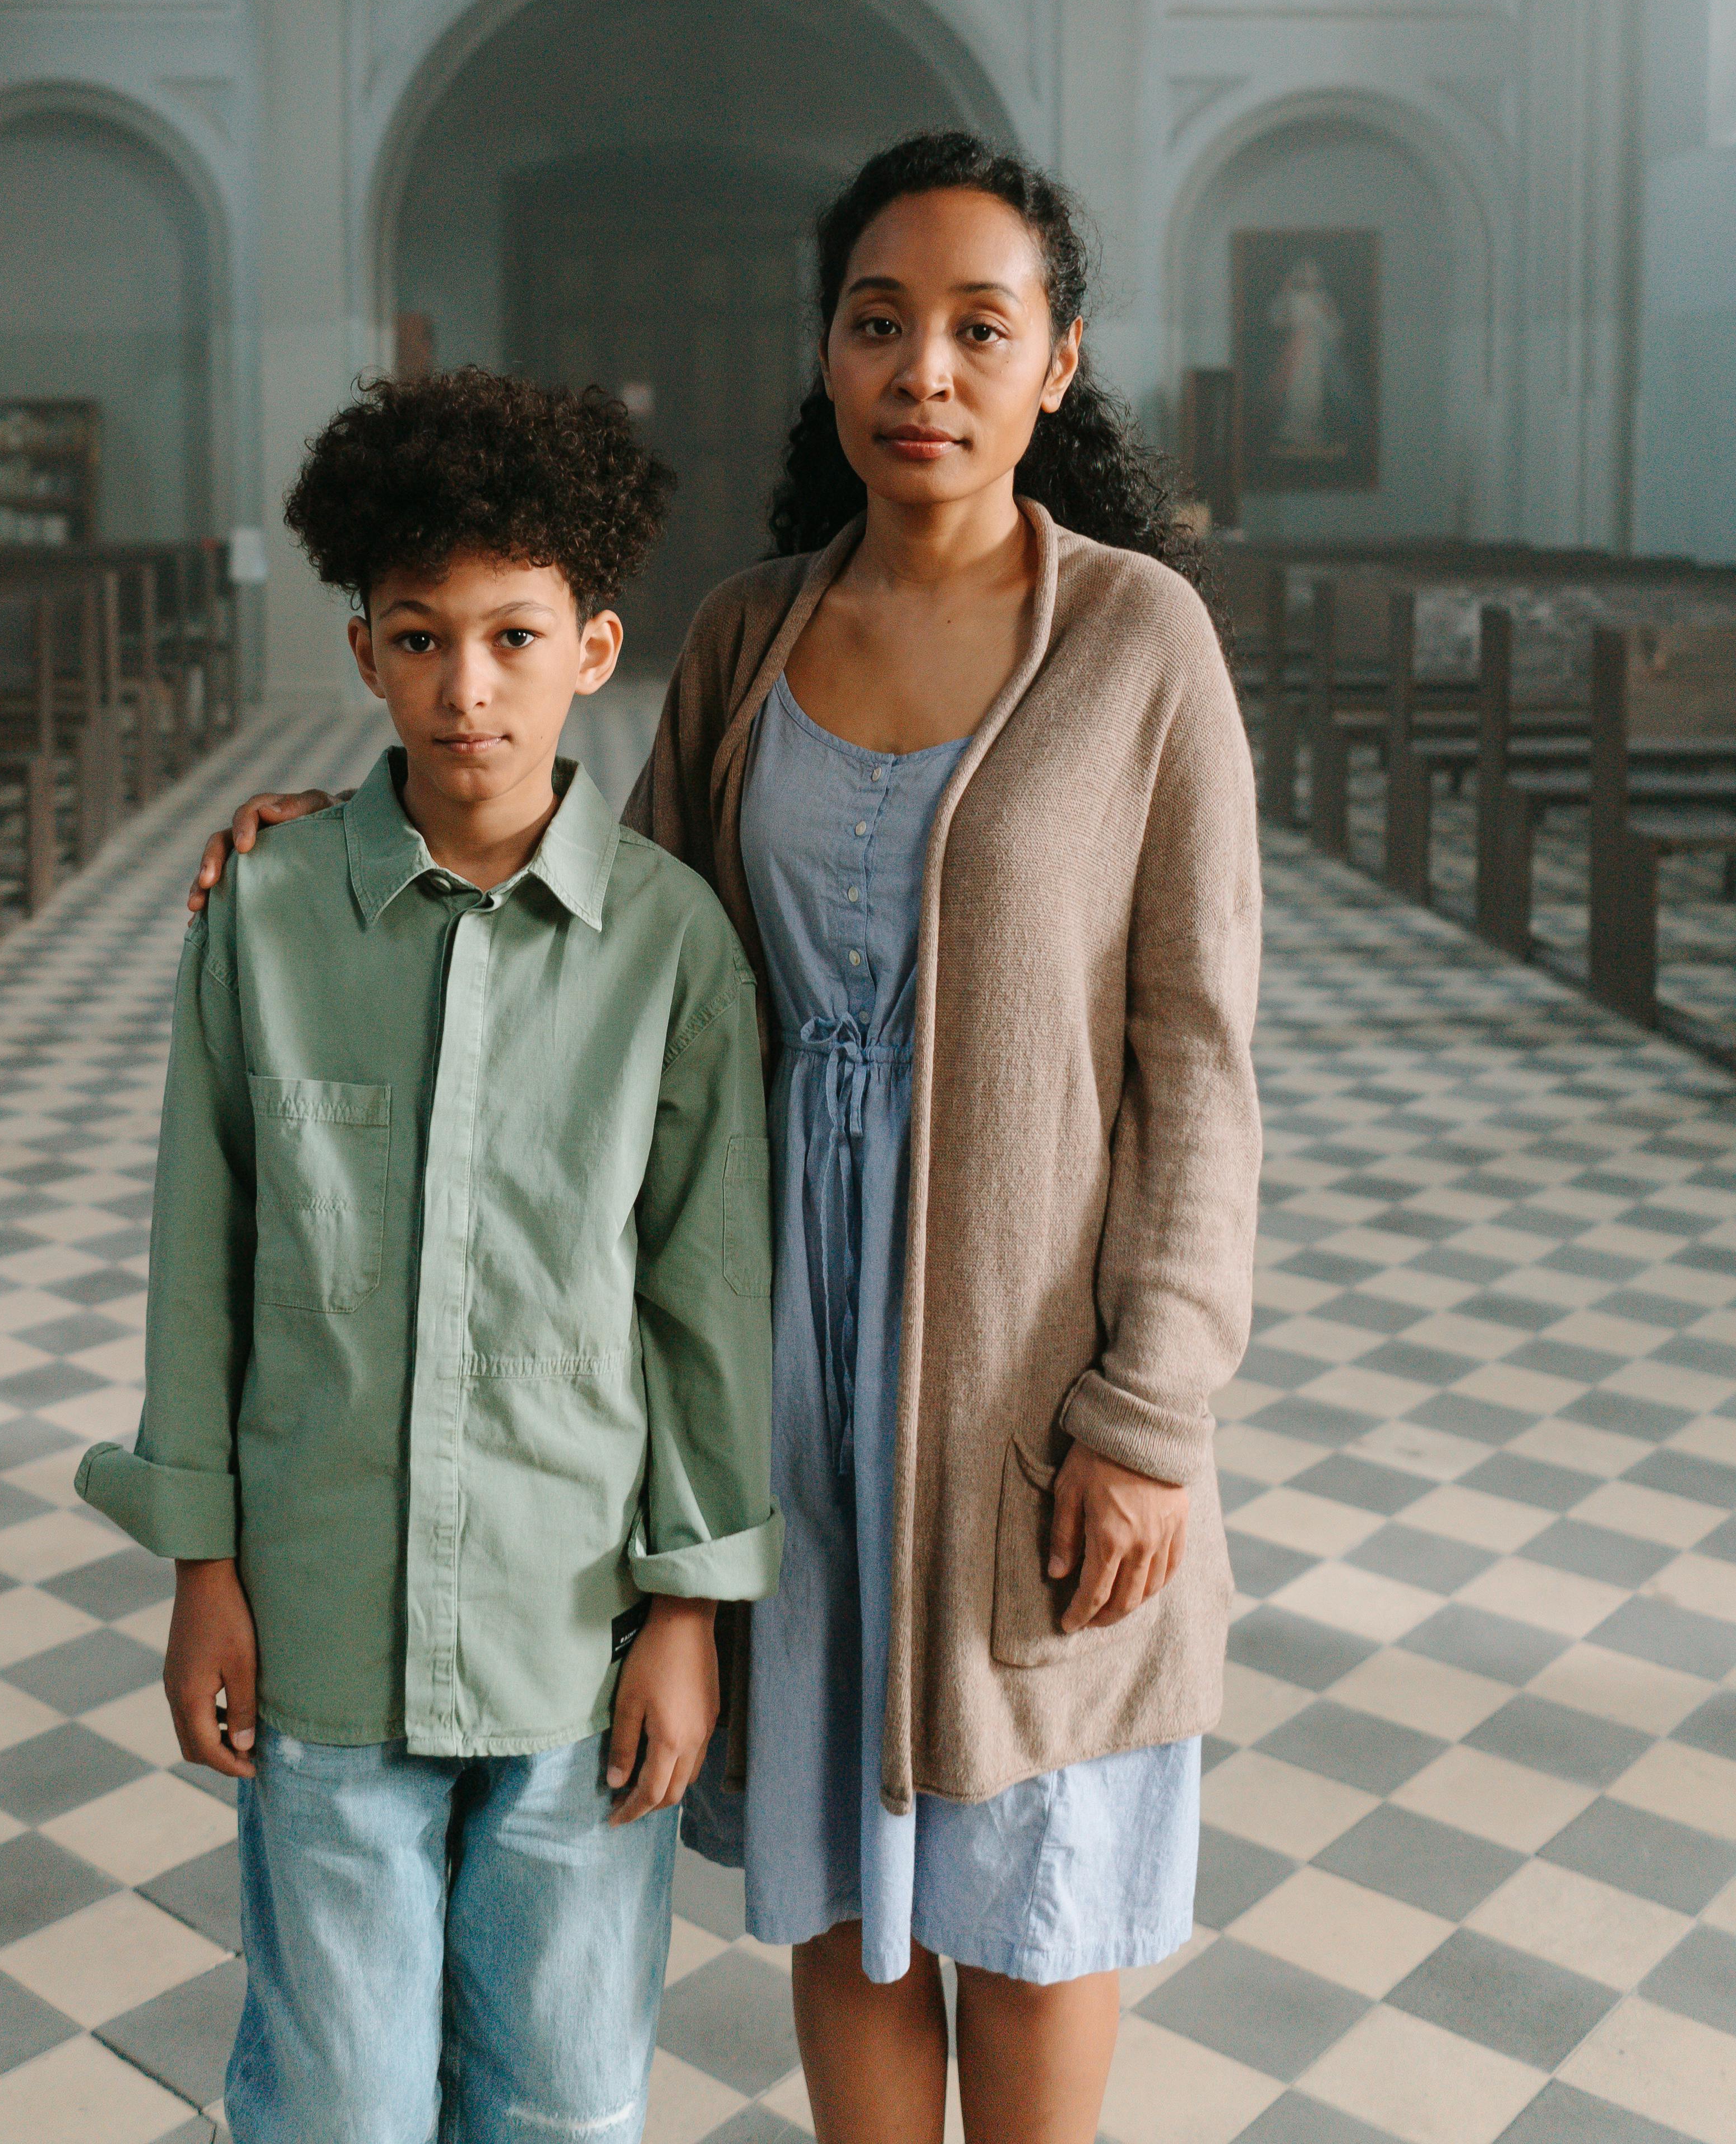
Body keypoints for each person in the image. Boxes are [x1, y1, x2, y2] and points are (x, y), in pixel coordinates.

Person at [195, 133, 1263, 2144]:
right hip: (777, 1357)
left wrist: (1155, 1409)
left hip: (1022, 1373)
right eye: (879, 323)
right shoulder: (755, 636)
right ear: (829, 356)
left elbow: (1199, 1053)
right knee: (844, 1898)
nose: (921, 370)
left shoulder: (1139, 644)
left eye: (976, 327)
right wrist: (335, 838)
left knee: (1028, 1897)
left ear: (1057, 363)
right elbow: (599, 924)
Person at [84, 367, 781, 2144]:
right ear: (364, 651)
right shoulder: (262, 917)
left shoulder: (671, 951)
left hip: (575, 1635)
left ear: (593, 647)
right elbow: (201, 1259)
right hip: (320, 1628)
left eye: (511, 635)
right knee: (333, 2100)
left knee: (559, 2097)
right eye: (419, 638)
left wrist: (689, 1611)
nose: (467, 687)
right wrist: (202, 1566)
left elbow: (701, 1305)